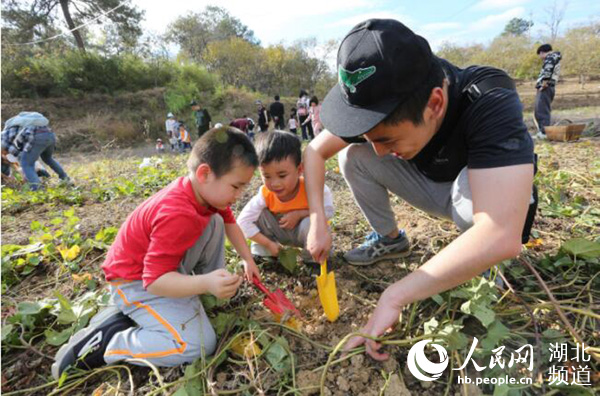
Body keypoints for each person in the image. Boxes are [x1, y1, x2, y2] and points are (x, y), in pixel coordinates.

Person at [303, 19, 537, 360]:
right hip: (433, 184)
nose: (380, 151)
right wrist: (317, 221)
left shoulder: (487, 98)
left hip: (482, 197)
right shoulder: (385, 98)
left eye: (387, 139)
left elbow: (501, 231)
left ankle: (484, 267)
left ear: (436, 104)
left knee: (478, 214)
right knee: (354, 156)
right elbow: (313, 151)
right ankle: (390, 238)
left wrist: (395, 295)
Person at [52, 127, 261, 379]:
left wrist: (247, 259)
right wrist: (205, 282)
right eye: (236, 187)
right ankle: (111, 342)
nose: (239, 196)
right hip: (135, 283)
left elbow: (229, 223)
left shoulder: (203, 194)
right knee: (199, 345)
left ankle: (199, 295)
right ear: (205, 173)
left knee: (215, 220)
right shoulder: (178, 213)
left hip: (160, 272)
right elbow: (154, 281)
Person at [237, 131, 334, 263]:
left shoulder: (312, 187)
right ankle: (266, 253)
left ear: (299, 170)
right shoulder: (265, 194)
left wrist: (300, 214)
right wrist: (267, 243)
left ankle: (313, 259)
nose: (275, 183)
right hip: (279, 232)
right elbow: (243, 221)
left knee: (311, 222)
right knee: (259, 215)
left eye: (282, 175)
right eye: (267, 176)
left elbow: (328, 211)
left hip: (307, 234)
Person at [1, 112, 70, 191]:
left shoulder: (2, 137)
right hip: (50, 134)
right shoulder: (20, 128)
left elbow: (16, 153)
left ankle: (37, 188)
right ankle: (65, 179)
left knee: (26, 164)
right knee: (48, 158)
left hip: (37, 136)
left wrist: (23, 168)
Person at [534, 44, 562, 140]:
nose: (540, 58)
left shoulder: (550, 58)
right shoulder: (554, 58)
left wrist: (543, 84)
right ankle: (543, 131)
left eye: (540, 55)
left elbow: (547, 72)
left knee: (541, 110)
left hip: (546, 87)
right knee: (541, 109)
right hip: (549, 87)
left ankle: (544, 133)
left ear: (542, 52)